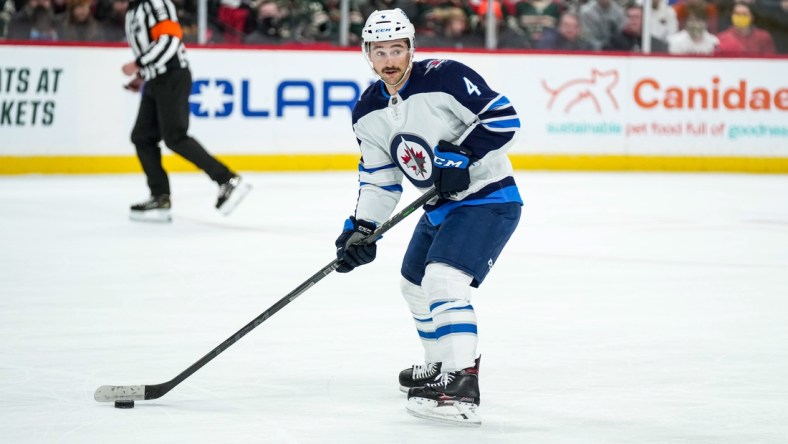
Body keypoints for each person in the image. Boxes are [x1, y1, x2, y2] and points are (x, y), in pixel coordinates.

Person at [334, 8, 522, 426]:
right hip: (439, 205)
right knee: (414, 284)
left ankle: (461, 382)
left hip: (488, 197)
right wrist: (362, 228)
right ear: (367, 54)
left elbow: (504, 117)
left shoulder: (445, 76)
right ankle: (439, 365)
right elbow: (380, 179)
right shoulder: (367, 109)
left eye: (396, 49)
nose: (389, 60)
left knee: (443, 280)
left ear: (411, 48)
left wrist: (462, 152)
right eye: (379, 50)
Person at [123, 0, 251, 222]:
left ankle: (227, 179)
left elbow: (170, 40)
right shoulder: (134, 9)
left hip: (172, 75)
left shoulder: (155, 3)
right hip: (156, 79)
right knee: (142, 136)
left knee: (175, 137)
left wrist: (139, 63)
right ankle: (160, 196)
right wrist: (143, 73)